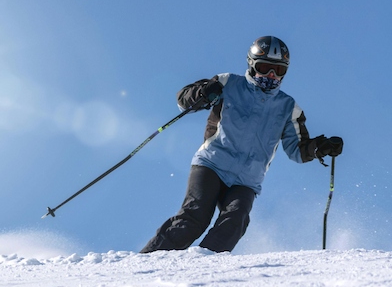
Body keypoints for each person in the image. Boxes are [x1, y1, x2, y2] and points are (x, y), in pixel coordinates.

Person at [141, 36, 343, 254]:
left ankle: (202, 266)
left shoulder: (288, 107)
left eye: (278, 70)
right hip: (212, 164)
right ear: (251, 64)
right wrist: (203, 93)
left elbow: (298, 150)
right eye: (264, 67)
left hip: (246, 180)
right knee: (194, 218)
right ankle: (148, 262)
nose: (271, 76)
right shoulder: (228, 83)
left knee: (235, 221)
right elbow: (184, 99)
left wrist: (320, 147)